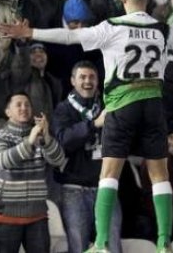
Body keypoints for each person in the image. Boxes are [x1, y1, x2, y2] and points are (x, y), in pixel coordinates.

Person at [0, 0, 173, 252]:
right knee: (160, 175)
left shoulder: (113, 27)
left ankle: (99, 244)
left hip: (121, 105)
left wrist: (31, 31)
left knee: (109, 174)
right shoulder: (162, 28)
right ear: (147, 0)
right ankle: (164, 242)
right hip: (154, 105)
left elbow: (70, 36)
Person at [51, 61, 122, 253]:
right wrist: (93, 125)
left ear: (98, 81)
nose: (87, 81)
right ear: (73, 81)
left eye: (92, 77)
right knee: (78, 246)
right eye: (82, 77)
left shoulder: (109, 106)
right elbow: (62, 141)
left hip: (106, 187)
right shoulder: (63, 109)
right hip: (74, 189)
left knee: (112, 246)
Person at [0, 91, 65, 253]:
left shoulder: (40, 137)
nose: (24, 108)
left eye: (27, 105)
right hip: (7, 215)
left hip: (38, 216)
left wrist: (47, 138)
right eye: (18, 105)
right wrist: (29, 141)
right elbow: (2, 161)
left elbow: (59, 160)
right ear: (7, 112)